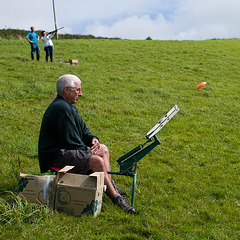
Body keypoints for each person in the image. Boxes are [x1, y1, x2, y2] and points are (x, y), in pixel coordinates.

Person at [38, 74, 136, 214]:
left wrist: (93, 140)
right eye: (77, 90)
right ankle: (116, 199)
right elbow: (70, 142)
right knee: (96, 160)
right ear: (66, 90)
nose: (81, 94)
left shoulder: (70, 107)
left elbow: (83, 130)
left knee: (103, 149)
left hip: (66, 149)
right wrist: (89, 152)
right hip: (56, 155)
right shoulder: (60, 109)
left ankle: (110, 186)